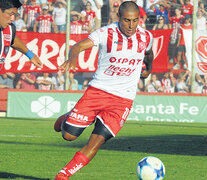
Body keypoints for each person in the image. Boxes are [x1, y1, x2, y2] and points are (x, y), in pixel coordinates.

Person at [53, 1, 154, 180]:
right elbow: (77, 46)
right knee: (68, 136)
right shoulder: (105, 33)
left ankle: (63, 175)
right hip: (98, 92)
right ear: (118, 17)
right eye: (126, 20)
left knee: (97, 141)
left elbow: (149, 53)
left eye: (135, 20)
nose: (131, 25)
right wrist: (73, 57)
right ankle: (69, 116)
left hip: (123, 100)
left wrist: (148, 69)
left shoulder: (146, 36)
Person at [0, 0, 42, 72]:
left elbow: (12, 39)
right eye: (10, 14)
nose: (13, 19)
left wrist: (30, 54)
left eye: (14, 15)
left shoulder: (9, 29)